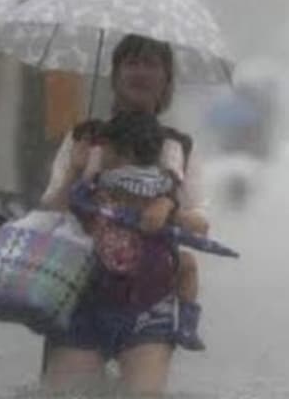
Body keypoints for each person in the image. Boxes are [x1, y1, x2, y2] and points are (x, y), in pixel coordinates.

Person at [39, 34, 207, 395]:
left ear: (166, 80)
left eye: (152, 65)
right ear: (115, 75)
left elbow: (200, 225)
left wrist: (168, 208)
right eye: (132, 63)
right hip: (80, 295)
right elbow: (49, 213)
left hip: (149, 300)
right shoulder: (84, 138)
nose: (141, 73)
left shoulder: (177, 147)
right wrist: (75, 171)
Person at [67, 111, 209, 350]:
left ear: (124, 151)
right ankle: (186, 325)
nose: (102, 154)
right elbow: (197, 225)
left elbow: (77, 202)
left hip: (106, 265)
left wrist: (82, 175)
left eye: (106, 148)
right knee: (188, 264)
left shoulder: (106, 181)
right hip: (150, 268)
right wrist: (168, 204)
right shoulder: (161, 182)